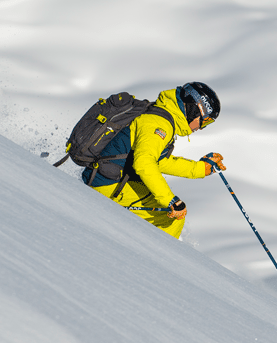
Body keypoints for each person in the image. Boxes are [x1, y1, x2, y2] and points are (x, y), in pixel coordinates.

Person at [82, 82, 226, 238]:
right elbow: (144, 163)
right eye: (205, 121)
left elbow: (158, 161)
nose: (201, 128)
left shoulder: (161, 117)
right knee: (171, 219)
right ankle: (154, 260)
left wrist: (200, 169)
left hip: (109, 178)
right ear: (194, 109)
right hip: (107, 185)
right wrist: (170, 201)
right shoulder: (159, 125)